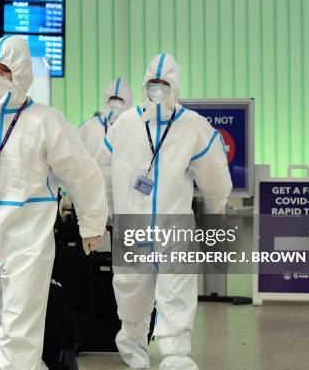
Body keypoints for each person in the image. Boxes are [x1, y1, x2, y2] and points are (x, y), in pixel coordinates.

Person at [0, 35, 108, 370]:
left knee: (19, 333)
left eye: (4, 69)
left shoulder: (46, 121)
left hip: (26, 244)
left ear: (20, 72)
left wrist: (92, 224)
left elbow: (82, 173)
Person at [97, 53, 232, 369]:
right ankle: (132, 346)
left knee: (176, 290)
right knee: (131, 291)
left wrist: (217, 212)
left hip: (175, 226)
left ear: (175, 87)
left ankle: (175, 354)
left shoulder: (192, 126)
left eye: (164, 84)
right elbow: (102, 171)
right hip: (132, 225)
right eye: (152, 84)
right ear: (144, 85)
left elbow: (215, 177)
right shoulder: (125, 125)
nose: (158, 90)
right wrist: (106, 215)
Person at [57, 78, 133, 251]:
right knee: (96, 258)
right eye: (112, 100)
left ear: (128, 103)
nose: (115, 105)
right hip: (93, 205)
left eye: (120, 101)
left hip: (125, 206)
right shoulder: (87, 130)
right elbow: (72, 166)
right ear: (105, 100)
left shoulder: (135, 130)